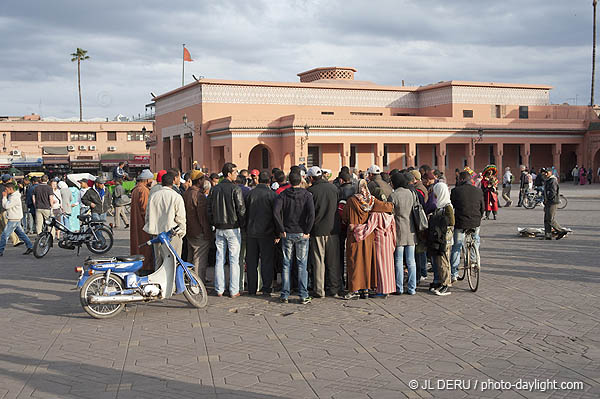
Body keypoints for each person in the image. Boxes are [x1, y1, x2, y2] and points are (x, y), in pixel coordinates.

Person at [341, 179, 394, 299]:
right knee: (367, 262)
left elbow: (345, 217)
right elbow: (387, 207)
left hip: (355, 235)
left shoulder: (351, 201)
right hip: (368, 235)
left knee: (354, 262)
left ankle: (354, 289)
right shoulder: (372, 200)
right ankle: (366, 289)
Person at [273, 170, 315, 304]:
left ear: (289, 181)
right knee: (302, 264)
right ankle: (303, 294)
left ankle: (285, 294)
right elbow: (311, 214)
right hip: (302, 233)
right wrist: (308, 230)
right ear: (301, 180)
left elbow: (276, 212)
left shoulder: (283, 195)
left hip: (288, 232)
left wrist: (281, 229)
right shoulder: (307, 195)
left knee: (286, 264)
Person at [207, 162, 246, 298]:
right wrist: (242, 224)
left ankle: (219, 289)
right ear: (229, 173)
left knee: (220, 259)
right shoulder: (236, 189)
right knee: (234, 260)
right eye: (235, 172)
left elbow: (209, 209)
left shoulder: (215, 189)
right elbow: (241, 209)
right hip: (233, 228)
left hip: (219, 227)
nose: (237, 174)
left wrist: (214, 223)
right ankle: (234, 290)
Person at [307, 166, 342, 298]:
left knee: (318, 262)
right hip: (333, 229)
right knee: (333, 262)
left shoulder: (311, 191)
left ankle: (319, 290)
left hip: (317, 230)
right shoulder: (334, 188)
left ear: (311, 178)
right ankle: (334, 288)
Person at [245, 171, 278, 295]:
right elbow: (276, 216)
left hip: (251, 232)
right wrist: (277, 233)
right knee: (267, 261)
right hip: (267, 233)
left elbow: (244, 213)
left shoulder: (250, 194)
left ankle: (252, 288)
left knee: (252, 262)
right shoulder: (272, 195)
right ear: (269, 181)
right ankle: (266, 287)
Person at [144, 172, 187, 268]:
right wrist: (182, 233)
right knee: (174, 263)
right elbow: (181, 218)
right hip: (173, 234)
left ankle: (159, 282)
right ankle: (173, 283)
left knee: (159, 263)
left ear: (161, 182)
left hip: (157, 234)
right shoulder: (176, 196)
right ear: (173, 182)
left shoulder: (153, 196)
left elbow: (147, 216)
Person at [450, 171, 485, 281]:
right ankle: (474, 260)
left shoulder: (455, 191)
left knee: (457, 246)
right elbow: (482, 208)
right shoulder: (478, 191)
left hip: (461, 222)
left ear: (460, 180)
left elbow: (453, 206)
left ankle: (454, 273)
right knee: (476, 239)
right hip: (475, 222)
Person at [388, 172, 417, 295]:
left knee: (398, 260)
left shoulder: (393, 195)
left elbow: (390, 214)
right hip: (411, 230)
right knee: (411, 261)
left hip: (398, 230)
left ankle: (399, 287)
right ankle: (412, 288)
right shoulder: (411, 193)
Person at [183, 170, 213, 282]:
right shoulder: (198, 195)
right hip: (199, 231)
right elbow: (202, 217)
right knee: (199, 259)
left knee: (191, 258)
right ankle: (197, 283)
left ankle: (189, 280)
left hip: (189, 230)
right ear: (200, 181)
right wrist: (207, 232)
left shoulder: (186, 193)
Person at [427, 182, 454, 295]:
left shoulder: (447, 206)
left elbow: (451, 223)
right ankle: (441, 281)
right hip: (439, 237)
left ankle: (446, 283)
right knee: (439, 260)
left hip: (445, 238)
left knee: (444, 261)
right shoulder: (440, 205)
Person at [129, 169, 154, 273]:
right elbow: (145, 209)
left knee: (138, 245)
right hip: (143, 224)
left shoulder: (136, 189)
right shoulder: (143, 190)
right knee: (145, 248)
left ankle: (140, 267)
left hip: (137, 223)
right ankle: (145, 269)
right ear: (147, 179)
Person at [0, 183, 33, 256]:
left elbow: (6, 206)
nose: (5, 191)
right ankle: (30, 246)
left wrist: (4, 197)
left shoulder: (14, 197)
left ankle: (0, 250)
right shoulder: (13, 196)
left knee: (4, 235)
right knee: (21, 234)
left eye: (6, 189)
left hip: (13, 218)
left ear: (10, 189)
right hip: (15, 217)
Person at [541, 168, 569, 240]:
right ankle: (548, 235)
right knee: (546, 219)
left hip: (552, 202)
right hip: (548, 202)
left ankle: (561, 231)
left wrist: (548, 199)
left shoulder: (553, 180)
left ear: (550, 172)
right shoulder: (547, 180)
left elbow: (553, 192)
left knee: (550, 219)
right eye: (544, 173)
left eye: (546, 172)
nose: (545, 174)